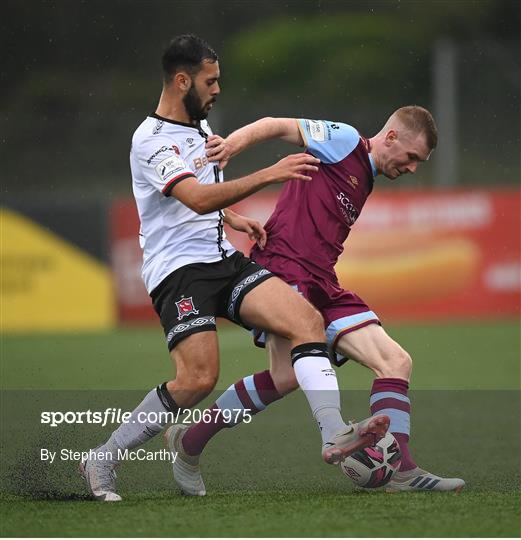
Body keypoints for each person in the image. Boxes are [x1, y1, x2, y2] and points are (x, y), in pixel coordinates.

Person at [79, 34, 389, 502]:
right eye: (211, 81)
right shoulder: (150, 140)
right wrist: (269, 173)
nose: (218, 89)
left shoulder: (202, 135)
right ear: (182, 80)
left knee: (307, 320)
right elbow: (195, 196)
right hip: (179, 273)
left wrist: (234, 219)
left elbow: (202, 203)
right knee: (197, 380)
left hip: (224, 261)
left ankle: (334, 434)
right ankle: (103, 456)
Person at [177, 107, 465, 493]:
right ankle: (190, 442)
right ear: (392, 137)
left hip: (322, 282)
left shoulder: (367, 175)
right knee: (288, 375)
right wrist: (231, 145)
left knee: (395, 362)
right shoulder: (344, 140)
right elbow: (273, 125)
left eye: (420, 163)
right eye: (412, 157)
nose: (412, 168)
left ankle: (402, 471)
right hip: (283, 271)